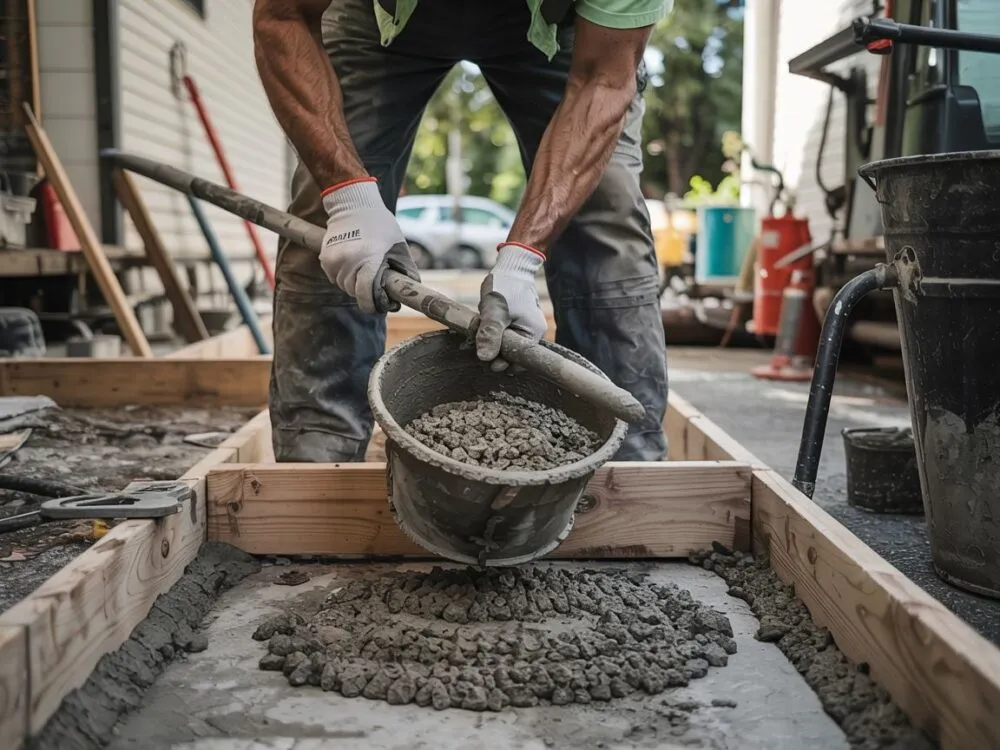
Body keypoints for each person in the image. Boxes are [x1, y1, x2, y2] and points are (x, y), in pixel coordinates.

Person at [252, 0, 671, 463]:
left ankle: (625, 467)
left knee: (605, 209)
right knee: (327, 216)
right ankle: (317, 461)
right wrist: (347, 198)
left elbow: (605, 80)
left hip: (560, 24)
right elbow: (283, 16)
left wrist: (521, 259)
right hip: (380, 16)